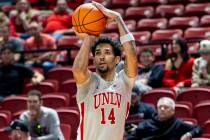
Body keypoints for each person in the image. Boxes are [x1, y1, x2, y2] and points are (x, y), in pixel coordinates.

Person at [72, 1, 137, 140]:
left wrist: (118, 18)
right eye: (97, 53)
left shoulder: (124, 82)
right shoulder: (89, 82)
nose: (101, 56)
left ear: (117, 59)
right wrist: (88, 38)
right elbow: (77, 70)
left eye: (107, 52)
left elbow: (132, 55)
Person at [127, 97, 202, 140]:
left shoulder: (178, 124)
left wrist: (189, 134)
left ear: (173, 110)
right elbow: (131, 138)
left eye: (166, 107)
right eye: (160, 107)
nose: (162, 109)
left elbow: (198, 128)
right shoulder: (145, 124)